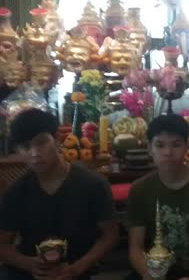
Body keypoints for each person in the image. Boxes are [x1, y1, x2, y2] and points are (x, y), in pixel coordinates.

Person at [0, 108, 118, 280]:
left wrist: (77, 268)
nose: (35, 153)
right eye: (26, 147)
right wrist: (28, 264)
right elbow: (3, 244)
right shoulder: (16, 191)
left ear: (56, 139)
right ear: (18, 151)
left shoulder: (92, 184)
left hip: (77, 267)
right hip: (29, 270)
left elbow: (110, 235)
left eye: (41, 143)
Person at [127, 114, 189, 280]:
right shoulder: (140, 189)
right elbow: (135, 248)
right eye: (160, 145)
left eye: (176, 144)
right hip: (155, 271)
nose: (168, 152)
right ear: (149, 148)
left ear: (187, 146)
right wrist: (149, 275)